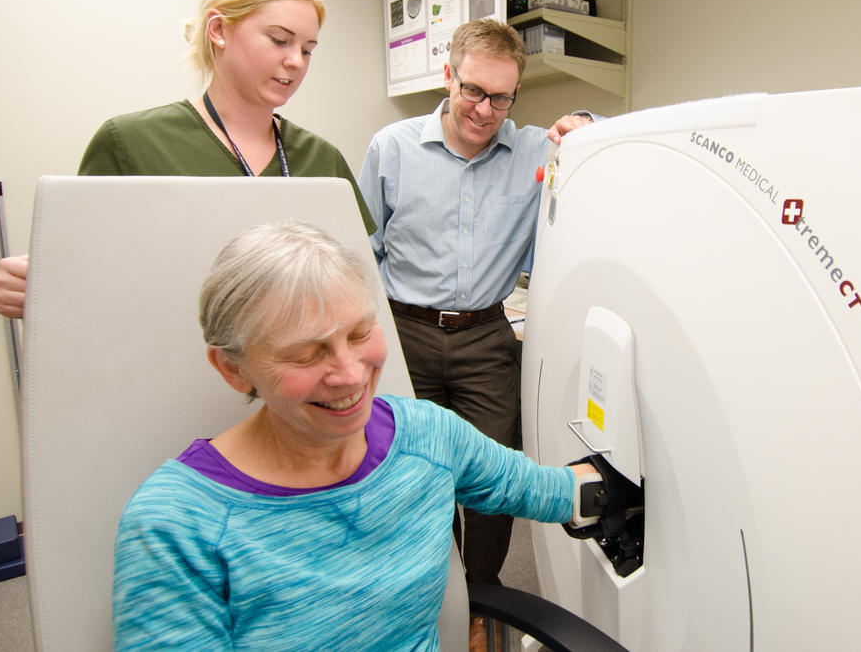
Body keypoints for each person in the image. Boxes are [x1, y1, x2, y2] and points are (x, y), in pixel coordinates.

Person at [112, 220, 600, 649]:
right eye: (307, 353)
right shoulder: (178, 523)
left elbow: (540, 488)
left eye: (360, 333)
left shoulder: (425, 435)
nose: (349, 374)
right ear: (233, 369)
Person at [0, 0, 374, 320]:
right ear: (218, 30)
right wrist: (34, 289)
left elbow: (356, 286)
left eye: (308, 50)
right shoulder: (132, 143)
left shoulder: (323, 160)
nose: (296, 61)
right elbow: (82, 278)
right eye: (279, 40)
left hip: (296, 376)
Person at [356, 19, 594, 597]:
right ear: (449, 75)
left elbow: (613, 138)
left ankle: (482, 598)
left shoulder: (539, 150)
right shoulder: (392, 147)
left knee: (495, 477)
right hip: (404, 332)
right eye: (474, 91)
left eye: (502, 97)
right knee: (416, 473)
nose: (486, 110)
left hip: (486, 340)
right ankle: (441, 592)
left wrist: (585, 124)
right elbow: (364, 251)